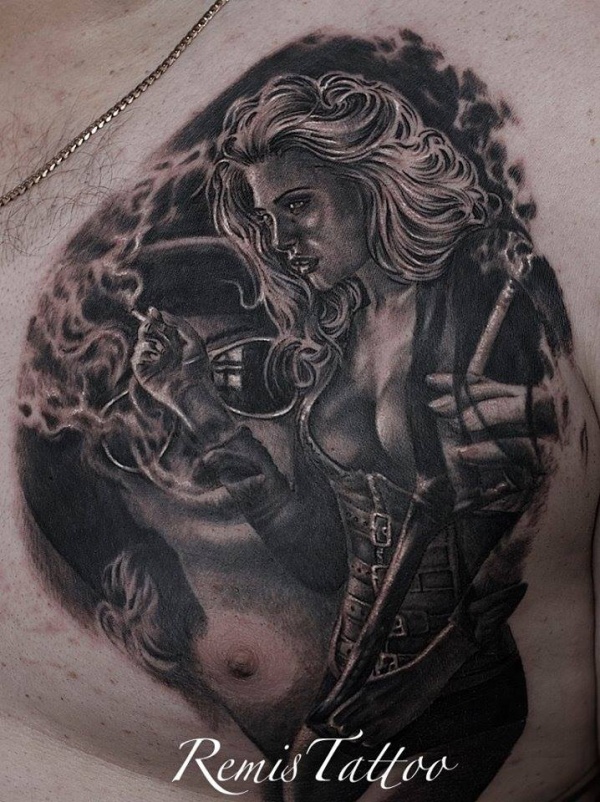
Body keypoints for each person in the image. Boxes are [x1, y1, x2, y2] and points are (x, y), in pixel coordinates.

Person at [121, 72, 574, 799]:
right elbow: (322, 557)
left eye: (298, 204)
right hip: (352, 697)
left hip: (458, 694)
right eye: (265, 217)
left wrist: (414, 682)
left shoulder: (485, 295)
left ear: (371, 185)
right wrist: (191, 400)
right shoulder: (332, 335)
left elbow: (533, 509)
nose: (280, 240)